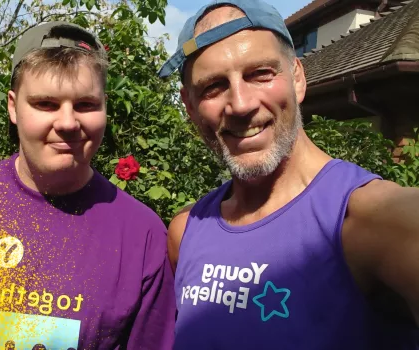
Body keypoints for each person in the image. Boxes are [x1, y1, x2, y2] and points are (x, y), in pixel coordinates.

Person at [157, 0, 419, 348]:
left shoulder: (377, 221)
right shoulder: (185, 232)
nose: (241, 104)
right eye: (213, 87)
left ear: (297, 77)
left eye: (260, 73)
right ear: (189, 107)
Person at [0, 21, 175, 349]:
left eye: (85, 105)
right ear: (13, 106)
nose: (68, 123)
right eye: (46, 104)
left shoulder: (142, 236)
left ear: (105, 107)